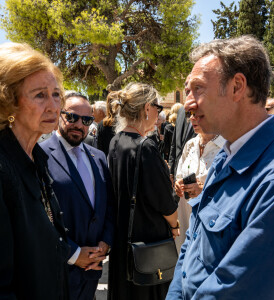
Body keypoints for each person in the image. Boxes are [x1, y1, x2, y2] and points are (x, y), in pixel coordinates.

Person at [166, 35, 274, 300]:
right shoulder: (225, 158)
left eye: (198, 89)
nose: (188, 104)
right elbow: (191, 247)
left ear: (238, 86)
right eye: (187, 90)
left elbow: (238, 290)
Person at [0, 42, 69, 299]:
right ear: (8, 102)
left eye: (55, 94)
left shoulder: (37, 158)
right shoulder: (3, 169)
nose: (53, 106)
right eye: (40, 95)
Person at [107, 82, 179, 300]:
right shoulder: (145, 147)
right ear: (147, 108)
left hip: (122, 240)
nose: (159, 113)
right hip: (146, 244)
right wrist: (175, 226)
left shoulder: (116, 141)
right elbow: (165, 203)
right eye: (157, 107)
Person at [40, 92, 114, 300]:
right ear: (59, 115)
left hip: (92, 271)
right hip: (58, 271)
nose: (79, 125)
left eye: (86, 120)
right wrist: (73, 254)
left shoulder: (98, 157)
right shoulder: (40, 155)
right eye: (72, 117)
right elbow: (39, 217)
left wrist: (105, 244)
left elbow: (108, 205)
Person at [174, 113, 225, 252]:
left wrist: (203, 190)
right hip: (185, 218)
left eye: (197, 114)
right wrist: (178, 186)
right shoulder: (190, 144)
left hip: (209, 223)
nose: (191, 118)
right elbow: (179, 175)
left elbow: (232, 191)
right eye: (190, 114)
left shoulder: (226, 147)